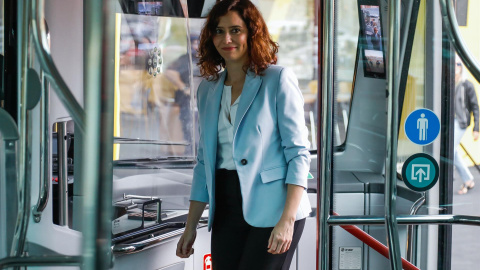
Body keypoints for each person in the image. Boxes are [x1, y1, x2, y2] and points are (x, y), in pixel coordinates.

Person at [175, 1, 312, 269]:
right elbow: (204, 162)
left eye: (235, 30)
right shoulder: (208, 89)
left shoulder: (278, 79)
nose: (227, 39)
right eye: (218, 31)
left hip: (276, 208)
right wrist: (190, 227)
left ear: (251, 33)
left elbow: (298, 154)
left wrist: (287, 219)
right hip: (226, 207)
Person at [164, 34, 202, 155]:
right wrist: (184, 87)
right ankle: (191, 147)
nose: (197, 46)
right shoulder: (185, 59)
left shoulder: (208, 59)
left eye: (199, 42)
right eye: (194, 43)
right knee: (188, 123)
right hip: (188, 99)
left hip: (205, 98)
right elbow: (169, 72)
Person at [454, 57, 479, 194]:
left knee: (451, 151)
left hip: (461, 122)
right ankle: (468, 180)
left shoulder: (467, 84)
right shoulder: (449, 83)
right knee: (453, 150)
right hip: (448, 123)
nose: (456, 66)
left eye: (458, 64)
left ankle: (467, 179)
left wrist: (476, 128)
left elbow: (475, 107)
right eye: (454, 64)